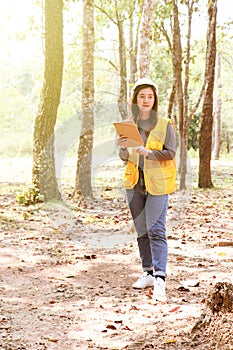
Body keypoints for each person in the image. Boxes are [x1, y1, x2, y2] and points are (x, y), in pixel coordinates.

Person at [117, 78, 176, 302]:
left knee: (156, 230)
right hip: (134, 183)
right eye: (142, 96)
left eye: (150, 96)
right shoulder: (128, 125)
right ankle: (148, 272)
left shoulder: (165, 124)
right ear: (135, 100)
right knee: (142, 230)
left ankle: (160, 279)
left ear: (154, 100)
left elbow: (170, 152)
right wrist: (123, 148)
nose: (146, 100)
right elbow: (124, 157)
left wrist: (148, 152)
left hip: (159, 183)